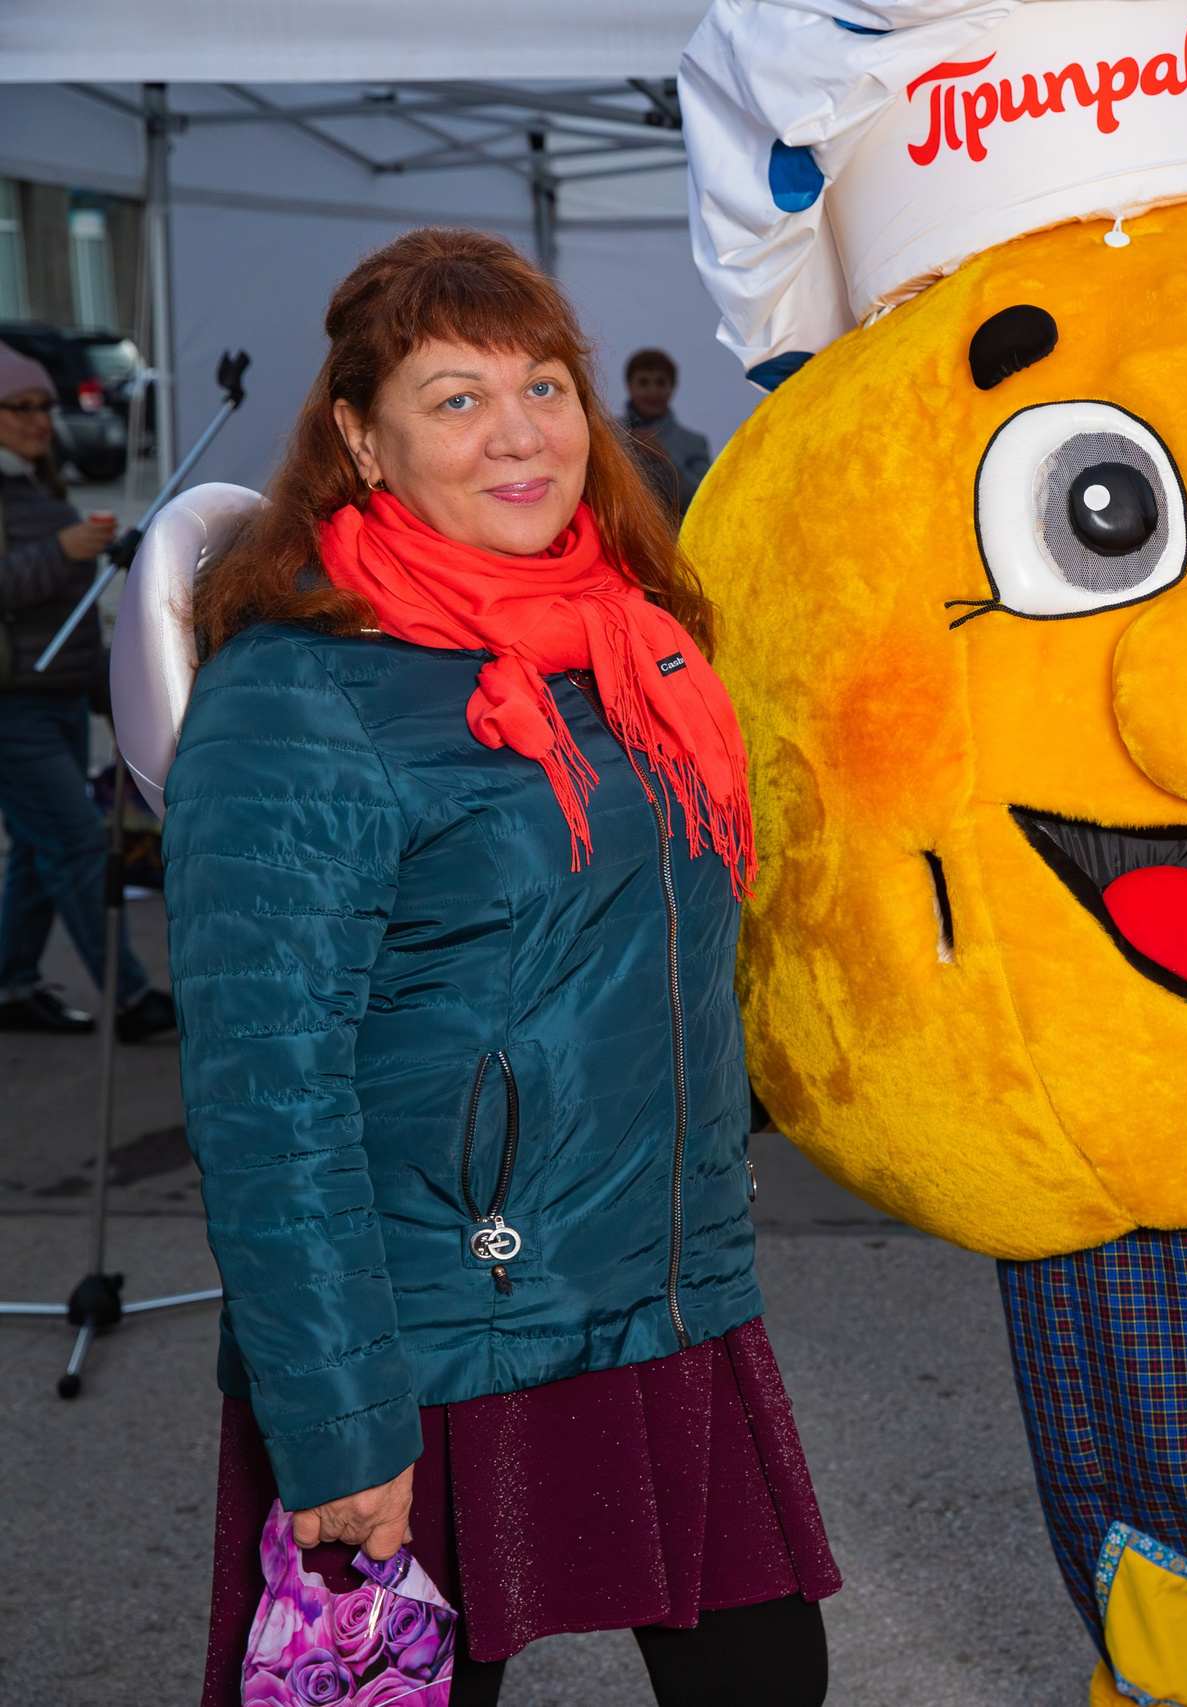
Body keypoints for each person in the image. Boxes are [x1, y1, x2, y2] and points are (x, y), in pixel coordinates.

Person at [167, 229, 836, 1707]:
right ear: (360, 436)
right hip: (425, 1324)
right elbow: (266, 1098)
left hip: (658, 1285)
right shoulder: (296, 694)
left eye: (543, 384)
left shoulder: (632, 641)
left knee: (766, 1669)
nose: (521, 432)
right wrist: (340, 1425)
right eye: (456, 397)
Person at [0, 340, 176, 1040]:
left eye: (45, 406)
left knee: (42, 854)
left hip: (62, 699)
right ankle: (130, 1000)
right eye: (21, 408)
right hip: (14, 708)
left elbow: (55, 612)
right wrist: (61, 552)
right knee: (73, 846)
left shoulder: (38, 486)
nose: (40, 420)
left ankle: (11, 984)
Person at [621, 348, 712, 519]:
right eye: (643, 382)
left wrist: (664, 461)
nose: (653, 391)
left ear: (673, 387)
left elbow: (704, 502)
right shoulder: (606, 435)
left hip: (670, 543)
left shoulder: (694, 443)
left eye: (661, 382)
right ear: (629, 385)